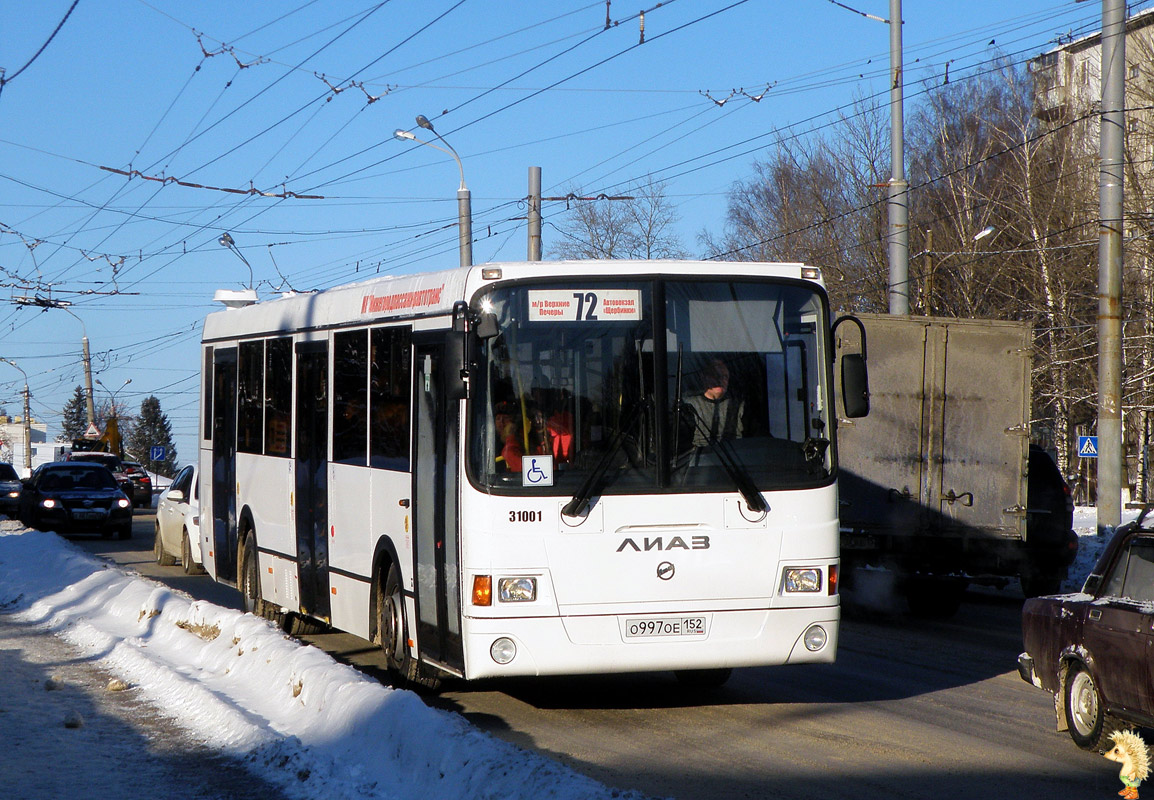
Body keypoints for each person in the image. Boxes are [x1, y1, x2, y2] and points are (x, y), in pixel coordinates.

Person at [684, 358, 743, 448]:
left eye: (724, 376)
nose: (720, 380)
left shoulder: (739, 406)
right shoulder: (689, 406)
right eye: (715, 375)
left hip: (734, 458)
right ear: (703, 377)